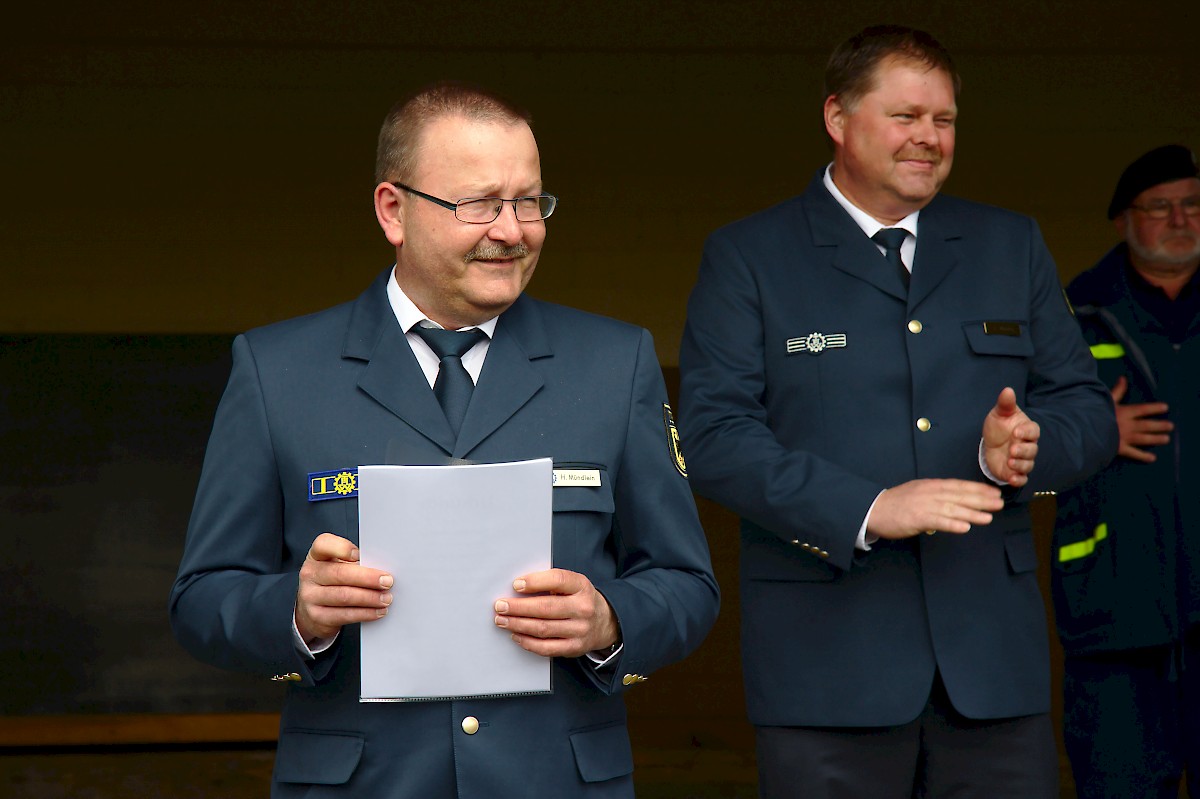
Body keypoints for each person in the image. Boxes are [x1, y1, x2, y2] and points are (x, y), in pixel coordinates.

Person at [170, 82, 719, 798]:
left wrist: (610, 618)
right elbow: (201, 599)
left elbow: (688, 585)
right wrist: (298, 612)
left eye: (530, 201)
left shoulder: (615, 364)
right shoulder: (278, 371)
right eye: (479, 203)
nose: (513, 229)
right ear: (393, 210)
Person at [677, 24, 1117, 798]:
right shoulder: (750, 256)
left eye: (944, 120)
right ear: (838, 119)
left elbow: (1087, 409)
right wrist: (870, 507)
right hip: (824, 671)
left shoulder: (1009, 244)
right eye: (906, 116)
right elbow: (714, 438)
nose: (929, 138)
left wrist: (1016, 454)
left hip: (993, 672)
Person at [1052, 144, 1200, 799]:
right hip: (1114, 618)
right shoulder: (1070, 318)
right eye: (1160, 207)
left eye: (1193, 205)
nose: (1180, 219)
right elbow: (1017, 451)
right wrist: (1090, 433)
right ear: (1122, 222)